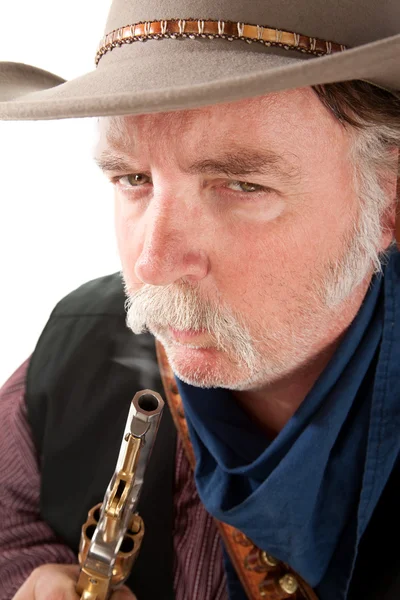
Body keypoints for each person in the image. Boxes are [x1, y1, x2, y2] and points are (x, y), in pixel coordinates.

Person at [0, 0, 399, 599]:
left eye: (241, 184)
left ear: (389, 200)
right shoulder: (75, 350)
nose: (152, 264)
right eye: (134, 179)